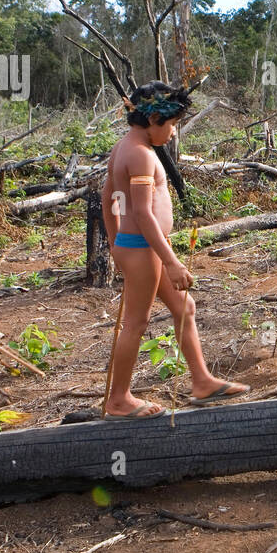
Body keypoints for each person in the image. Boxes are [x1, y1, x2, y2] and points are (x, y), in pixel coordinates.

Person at [101, 81, 248, 417]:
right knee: (136, 323)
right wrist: (170, 262)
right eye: (171, 125)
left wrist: (114, 242)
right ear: (153, 119)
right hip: (143, 248)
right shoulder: (138, 155)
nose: (172, 133)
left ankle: (202, 381)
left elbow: (108, 196)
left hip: (141, 245)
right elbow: (141, 212)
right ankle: (118, 399)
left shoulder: (125, 147)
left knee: (185, 307)